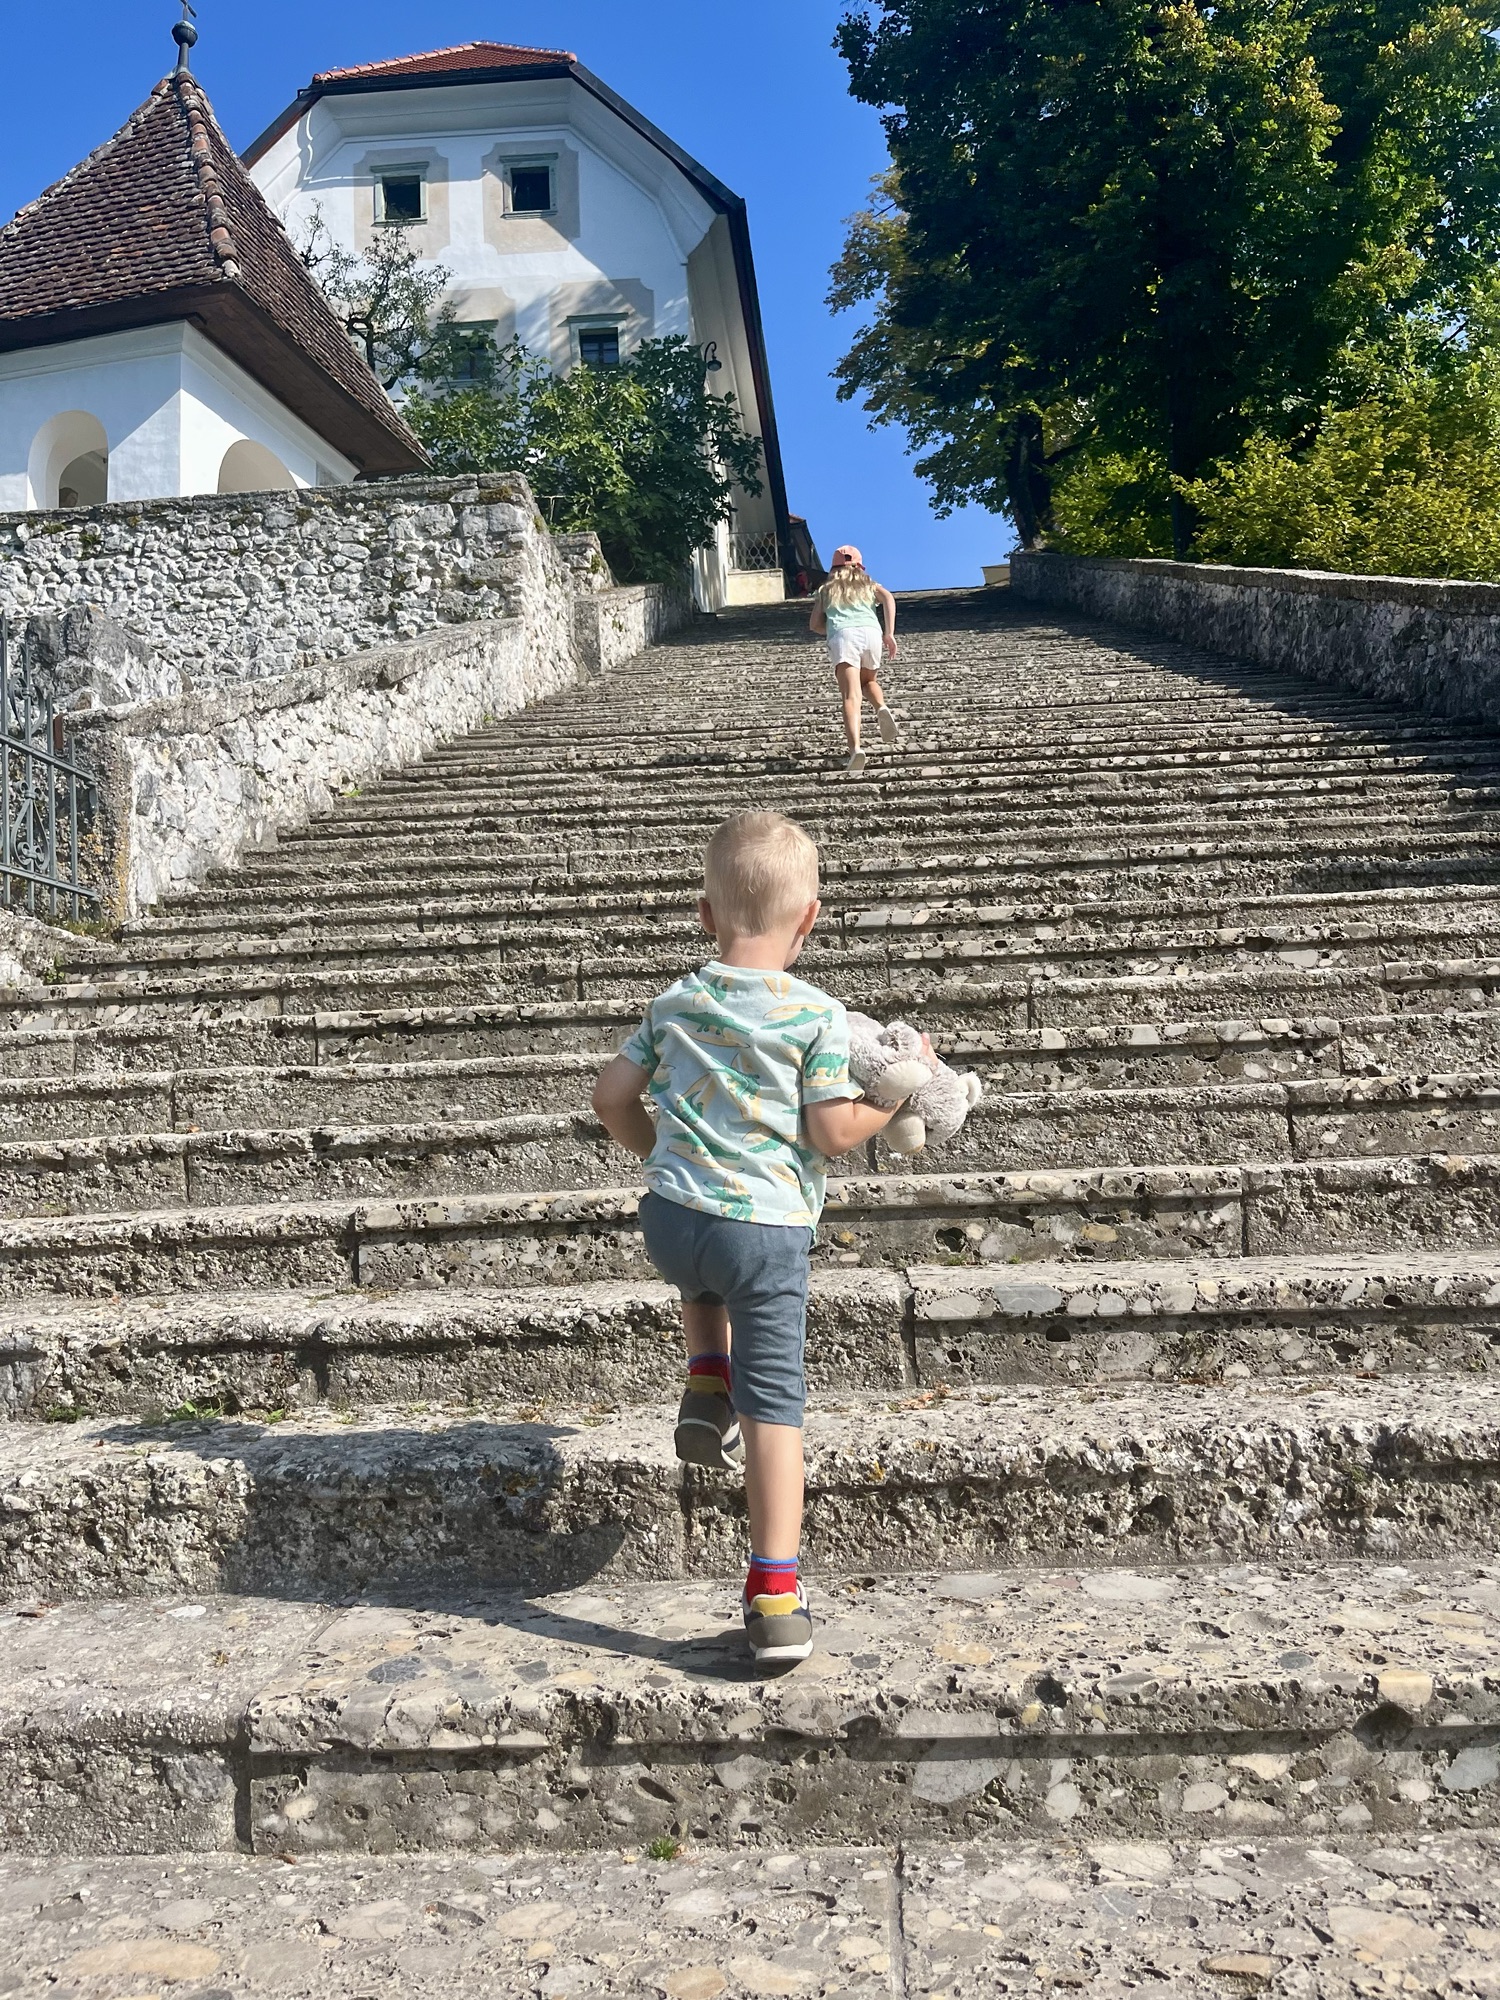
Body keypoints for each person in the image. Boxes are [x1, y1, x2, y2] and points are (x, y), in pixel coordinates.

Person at [591, 811, 919, 1667]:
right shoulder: (814, 1015)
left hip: (671, 1221)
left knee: (703, 1277)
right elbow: (830, 1134)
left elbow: (609, 1097)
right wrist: (892, 1098)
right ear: (810, 919)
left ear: (704, 915)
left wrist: (661, 1153)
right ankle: (774, 1591)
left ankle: (705, 1382)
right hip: (763, 1234)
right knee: (775, 1411)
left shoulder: (675, 1002)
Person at [809, 544, 900, 775]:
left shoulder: (825, 590)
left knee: (851, 695)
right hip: (871, 632)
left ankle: (856, 749)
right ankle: (881, 707)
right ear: (859, 566)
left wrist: (831, 629)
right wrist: (889, 633)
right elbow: (888, 598)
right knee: (869, 681)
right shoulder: (868, 584)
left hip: (843, 635)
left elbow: (814, 624)